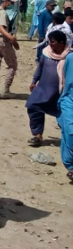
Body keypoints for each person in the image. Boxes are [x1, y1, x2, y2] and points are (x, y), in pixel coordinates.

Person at [0, 0, 20, 98]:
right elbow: (0, 27)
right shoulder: (2, 13)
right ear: (5, 1)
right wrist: (10, 38)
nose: (12, 4)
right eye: (10, 2)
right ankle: (6, 90)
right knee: (12, 65)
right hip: (2, 40)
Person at [56, 46, 73, 181]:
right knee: (71, 132)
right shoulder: (70, 58)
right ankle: (71, 166)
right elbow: (65, 82)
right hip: (70, 101)